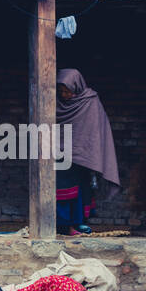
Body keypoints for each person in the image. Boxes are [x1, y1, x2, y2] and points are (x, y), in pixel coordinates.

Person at [56, 68, 120, 236]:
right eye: (61, 91)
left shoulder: (90, 101)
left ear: (76, 87)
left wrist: (88, 151)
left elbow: (96, 129)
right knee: (61, 190)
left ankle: (75, 225)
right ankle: (63, 226)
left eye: (67, 91)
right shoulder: (54, 104)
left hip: (83, 158)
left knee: (77, 191)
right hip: (59, 155)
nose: (64, 95)